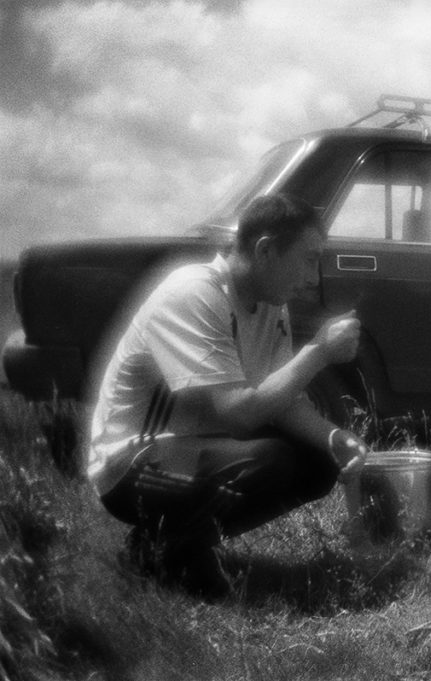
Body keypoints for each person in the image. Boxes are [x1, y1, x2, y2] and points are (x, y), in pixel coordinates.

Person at [88, 192, 369, 598]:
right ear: (266, 250)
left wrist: (334, 438)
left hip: (196, 451)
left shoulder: (271, 305)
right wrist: (318, 352)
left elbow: (282, 401)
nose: (313, 277)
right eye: (309, 259)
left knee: (318, 461)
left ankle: (177, 543)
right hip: (130, 461)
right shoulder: (194, 293)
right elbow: (238, 414)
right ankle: (162, 553)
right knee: (270, 461)